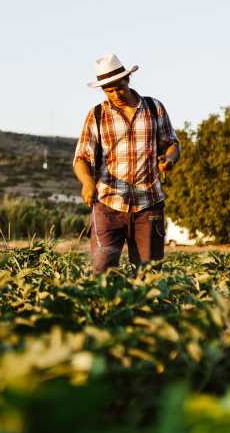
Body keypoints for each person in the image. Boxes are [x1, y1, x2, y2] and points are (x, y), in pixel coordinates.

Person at [72, 53, 181, 272]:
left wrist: (169, 158)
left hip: (148, 205)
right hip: (108, 205)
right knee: (102, 272)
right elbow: (81, 158)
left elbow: (172, 144)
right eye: (108, 90)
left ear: (127, 80)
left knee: (148, 276)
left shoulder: (153, 108)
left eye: (118, 87)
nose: (115, 94)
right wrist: (86, 182)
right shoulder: (97, 115)